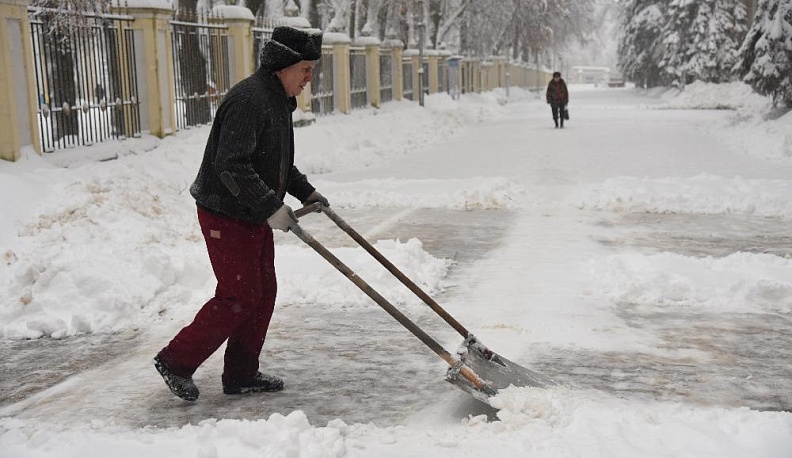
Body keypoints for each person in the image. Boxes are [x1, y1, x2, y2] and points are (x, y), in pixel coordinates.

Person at [154, 26, 329, 401]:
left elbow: (273, 161)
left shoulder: (277, 99)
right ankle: (175, 360)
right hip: (226, 213)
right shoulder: (251, 101)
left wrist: (304, 190)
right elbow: (230, 165)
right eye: (306, 69)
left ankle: (241, 374)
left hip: (250, 212)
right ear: (284, 67)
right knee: (239, 295)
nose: (310, 78)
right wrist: (270, 206)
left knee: (262, 293)